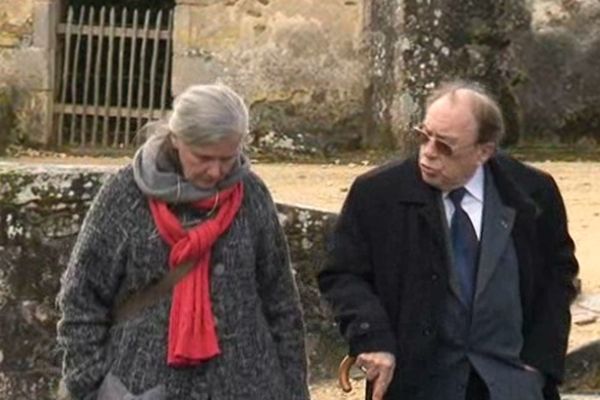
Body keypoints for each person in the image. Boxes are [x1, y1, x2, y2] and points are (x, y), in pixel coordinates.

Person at [318, 80, 579, 400]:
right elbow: (343, 274)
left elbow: (558, 275)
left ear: (484, 151)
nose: (428, 153)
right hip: (417, 384)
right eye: (423, 136)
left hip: (512, 385)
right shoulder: (378, 194)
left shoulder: (532, 191)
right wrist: (373, 339)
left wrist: (541, 361)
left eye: (445, 146)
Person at [57, 84, 310, 400]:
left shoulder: (251, 196)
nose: (216, 171)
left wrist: (294, 390)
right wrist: (90, 387)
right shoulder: (125, 196)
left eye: (228, 158)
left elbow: (281, 301)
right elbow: (82, 299)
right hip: (142, 388)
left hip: (249, 387)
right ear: (177, 139)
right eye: (203, 157)